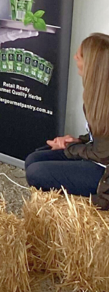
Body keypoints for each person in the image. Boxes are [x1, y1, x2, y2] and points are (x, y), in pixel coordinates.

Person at [25, 33, 109, 209]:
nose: (74, 58)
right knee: (33, 159)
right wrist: (77, 141)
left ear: (93, 65)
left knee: (36, 172)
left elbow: (103, 154)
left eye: (79, 56)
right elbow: (99, 139)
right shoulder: (99, 95)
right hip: (98, 157)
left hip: (104, 172)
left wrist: (70, 148)